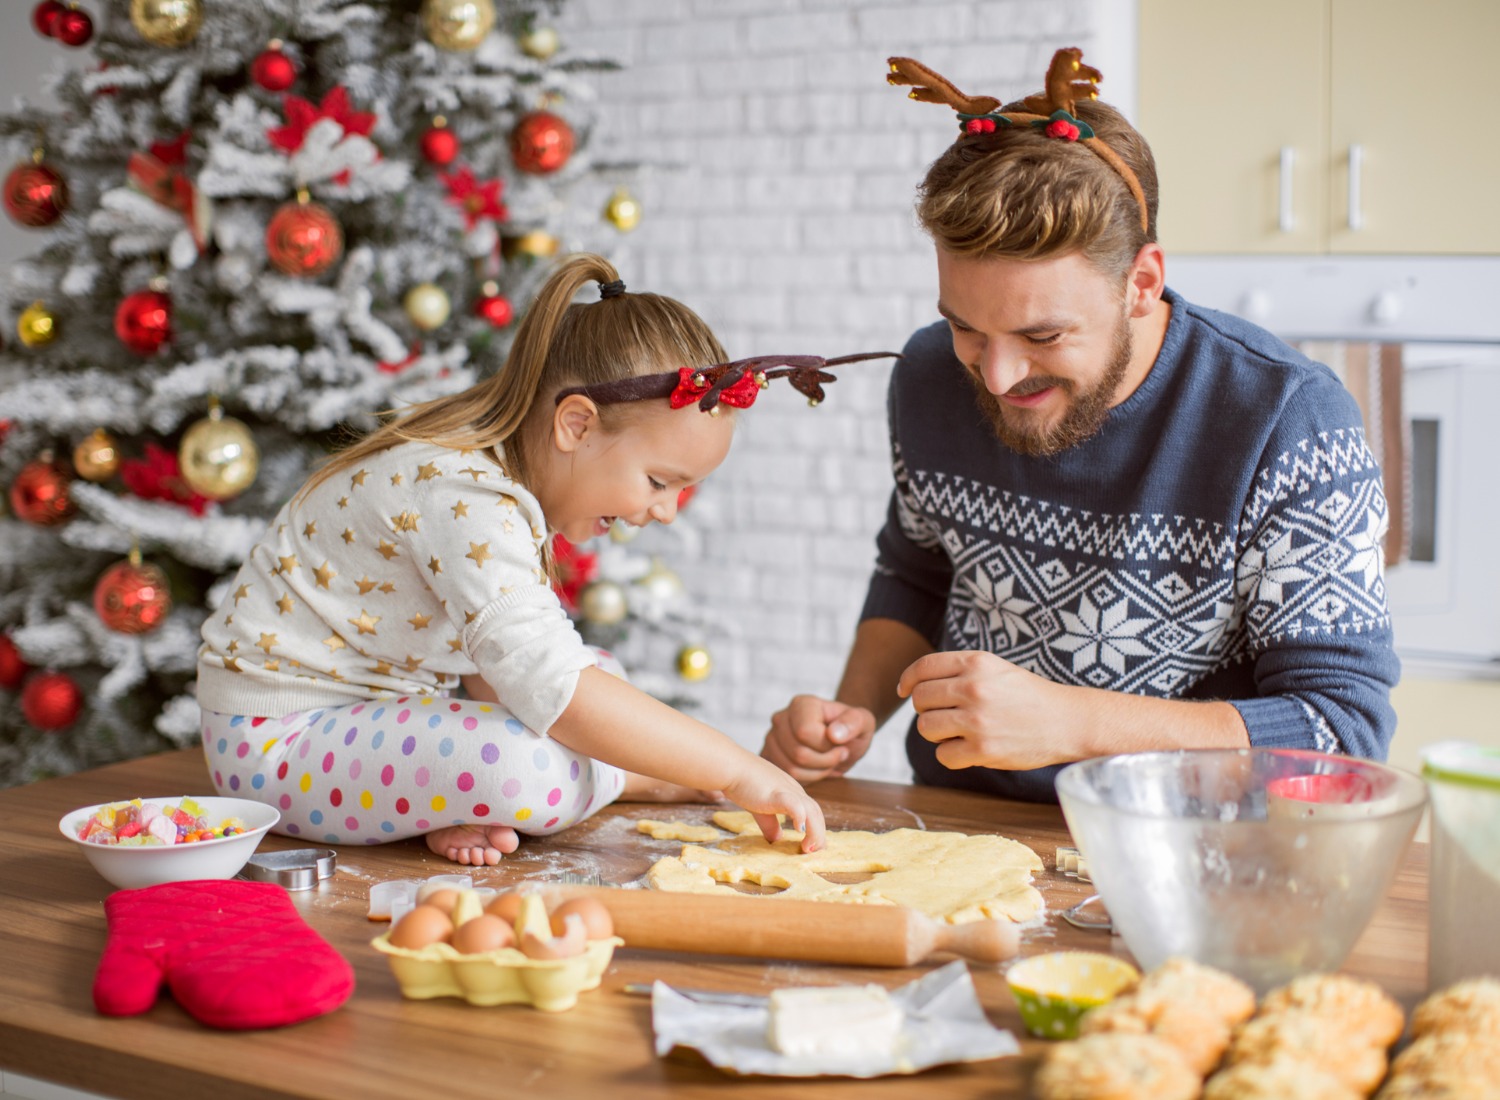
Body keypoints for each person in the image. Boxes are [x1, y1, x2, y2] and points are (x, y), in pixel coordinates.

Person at [762, 50, 1399, 801]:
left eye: (1042, 337)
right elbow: (918, 572)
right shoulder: (932, 375)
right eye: (967, 328)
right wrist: (852, 714)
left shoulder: (1287, 421)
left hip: (1187, 855)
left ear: (1142, 283)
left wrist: (1075, 722)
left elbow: (1340, 733)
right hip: (958, 818)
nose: (996, 378)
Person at [199, 253, 855, 864]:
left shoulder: (494, 486)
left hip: (360, 723)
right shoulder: (462, 493)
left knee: (599, 673)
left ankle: (463, 797)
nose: (665, 511)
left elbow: (500, 676)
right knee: (525, 766)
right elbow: (553, 692)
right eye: (659, 482)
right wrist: (737, 769)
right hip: (275, 745)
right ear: (576, 424)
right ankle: (622, 780)